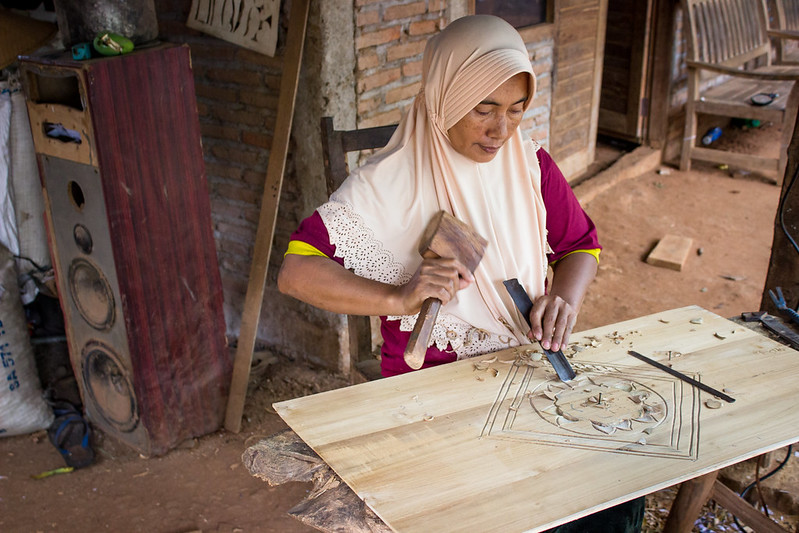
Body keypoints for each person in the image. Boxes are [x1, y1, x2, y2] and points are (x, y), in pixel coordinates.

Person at [278, 14, 643, 533]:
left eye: (516, 110)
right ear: (445, 98)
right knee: (494, 511)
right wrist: (398, 299)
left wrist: (564, 297)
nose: (501, 130)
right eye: (483, 109)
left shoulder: (529, 164)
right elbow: (296, 272)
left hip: (526, 361)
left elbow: (581, 245)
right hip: (430, 383)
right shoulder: (386, 184)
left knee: (612, 493)